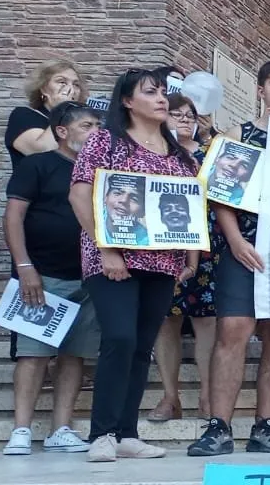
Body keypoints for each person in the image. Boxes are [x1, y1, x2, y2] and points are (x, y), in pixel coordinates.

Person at [66, 69, 199, 462]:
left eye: (163, 92)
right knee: (120, 338)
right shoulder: (105, 141)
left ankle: (126, 432)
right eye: (150, 92)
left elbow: (189, 208)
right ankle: (101, 433)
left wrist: (189, 257)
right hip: (112, 259)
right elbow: (79, 196)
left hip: (163, 262)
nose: (161, 99)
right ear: (127, 101)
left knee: (142, 346)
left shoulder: (179, 154)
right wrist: (107, 249)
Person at [187, 59, 270, 457]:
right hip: (245, 246)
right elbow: (222, 195)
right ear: (261, 90)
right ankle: (218, 427)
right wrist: (235, 241)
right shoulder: (240, 134)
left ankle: (265, 427)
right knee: (232, 330)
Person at [0, 103, 101, 455]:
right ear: (62, 131)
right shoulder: (37, 165)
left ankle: (61, 428)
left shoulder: (100, 173)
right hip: (42, 276)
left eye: (98, 126)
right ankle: (21, 430)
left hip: (89, 276)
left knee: (74, 355)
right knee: (33, 355)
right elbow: (13, 217)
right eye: (87, 126)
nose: (95, 133)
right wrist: (24, 267)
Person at [150, 93, 217, 422]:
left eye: (190, 114)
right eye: (176, 114)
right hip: (165, 244)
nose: (185, 120)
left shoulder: (210, 152)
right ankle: (170, 397)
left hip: (207, 245)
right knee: (166, 320)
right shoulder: (153, 152)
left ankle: (207, 395)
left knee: (207, 320)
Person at [7, 59, 87, 168]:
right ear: (43, 88)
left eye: (76, 84)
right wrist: (62, 107)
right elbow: (45, 151)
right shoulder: (23, 115)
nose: (71, 89)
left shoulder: (81, 123)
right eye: (62, 82)